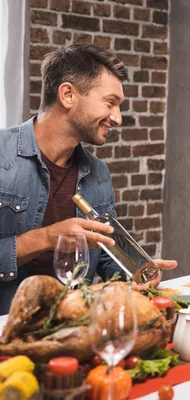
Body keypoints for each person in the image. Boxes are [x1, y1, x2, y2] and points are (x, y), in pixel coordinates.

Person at [0, 44, 177, 315]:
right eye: (110, 103)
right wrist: (47, 238)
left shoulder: (98, 173)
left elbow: (107, 259)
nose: (117, 118)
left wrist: (135, 274)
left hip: (75, 327)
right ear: (68, 94)